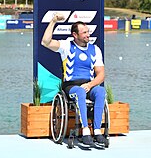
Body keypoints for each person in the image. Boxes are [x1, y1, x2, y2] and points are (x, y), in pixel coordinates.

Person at [41, 13, 106, 146]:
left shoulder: (95, 50)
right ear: (75, 35)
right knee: (80, 92)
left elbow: (101, 74)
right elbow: (45, 42)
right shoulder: (66, 46)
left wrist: (90, 84)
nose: (88, 34)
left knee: (100, 92)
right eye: (84, 32)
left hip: (89, 85)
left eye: (88, 31)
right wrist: (53, 21)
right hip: (71, 86)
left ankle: (98, 131)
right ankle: (86, 131)